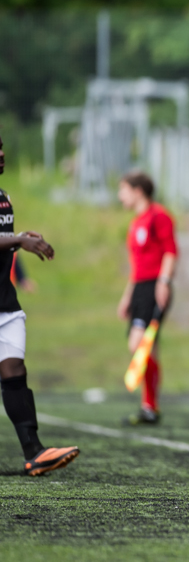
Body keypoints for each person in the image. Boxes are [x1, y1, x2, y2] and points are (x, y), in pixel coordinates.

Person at [0, 132, 80, 476]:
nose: (2, 154)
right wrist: (17, 239)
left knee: (14, 370)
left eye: (2, 148)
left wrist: (21, 239)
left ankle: (34, 452)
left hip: (4, 301)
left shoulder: (3, 198)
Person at [117, 170, 178, 426]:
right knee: (146, 347)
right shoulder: (135, 223)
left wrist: (163, 282)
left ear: (137, 190)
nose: (120, 196)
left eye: (123, 190)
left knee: (139, 345)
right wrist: (127, 297)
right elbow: (136, 266)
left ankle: (150, 405)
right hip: (140, 289)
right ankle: (149, 407)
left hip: (155, 286)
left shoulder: (158, 216)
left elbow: (171, 252)